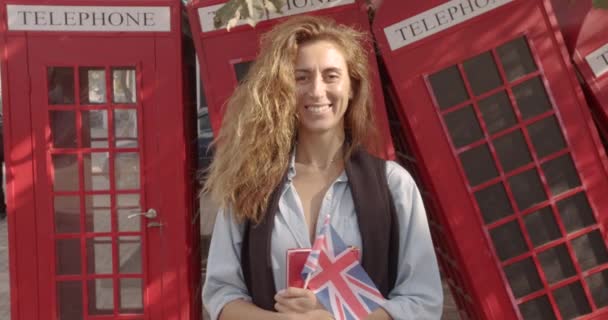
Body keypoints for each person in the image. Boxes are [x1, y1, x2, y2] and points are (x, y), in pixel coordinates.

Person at [202, 15, 443, 320]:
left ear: (353, 86)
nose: (316, 91)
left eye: (331, 76)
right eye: (301, 77)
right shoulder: (248, 183)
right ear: (283, 89)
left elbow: (423, 301)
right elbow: (221, 295)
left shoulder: (393, 185)